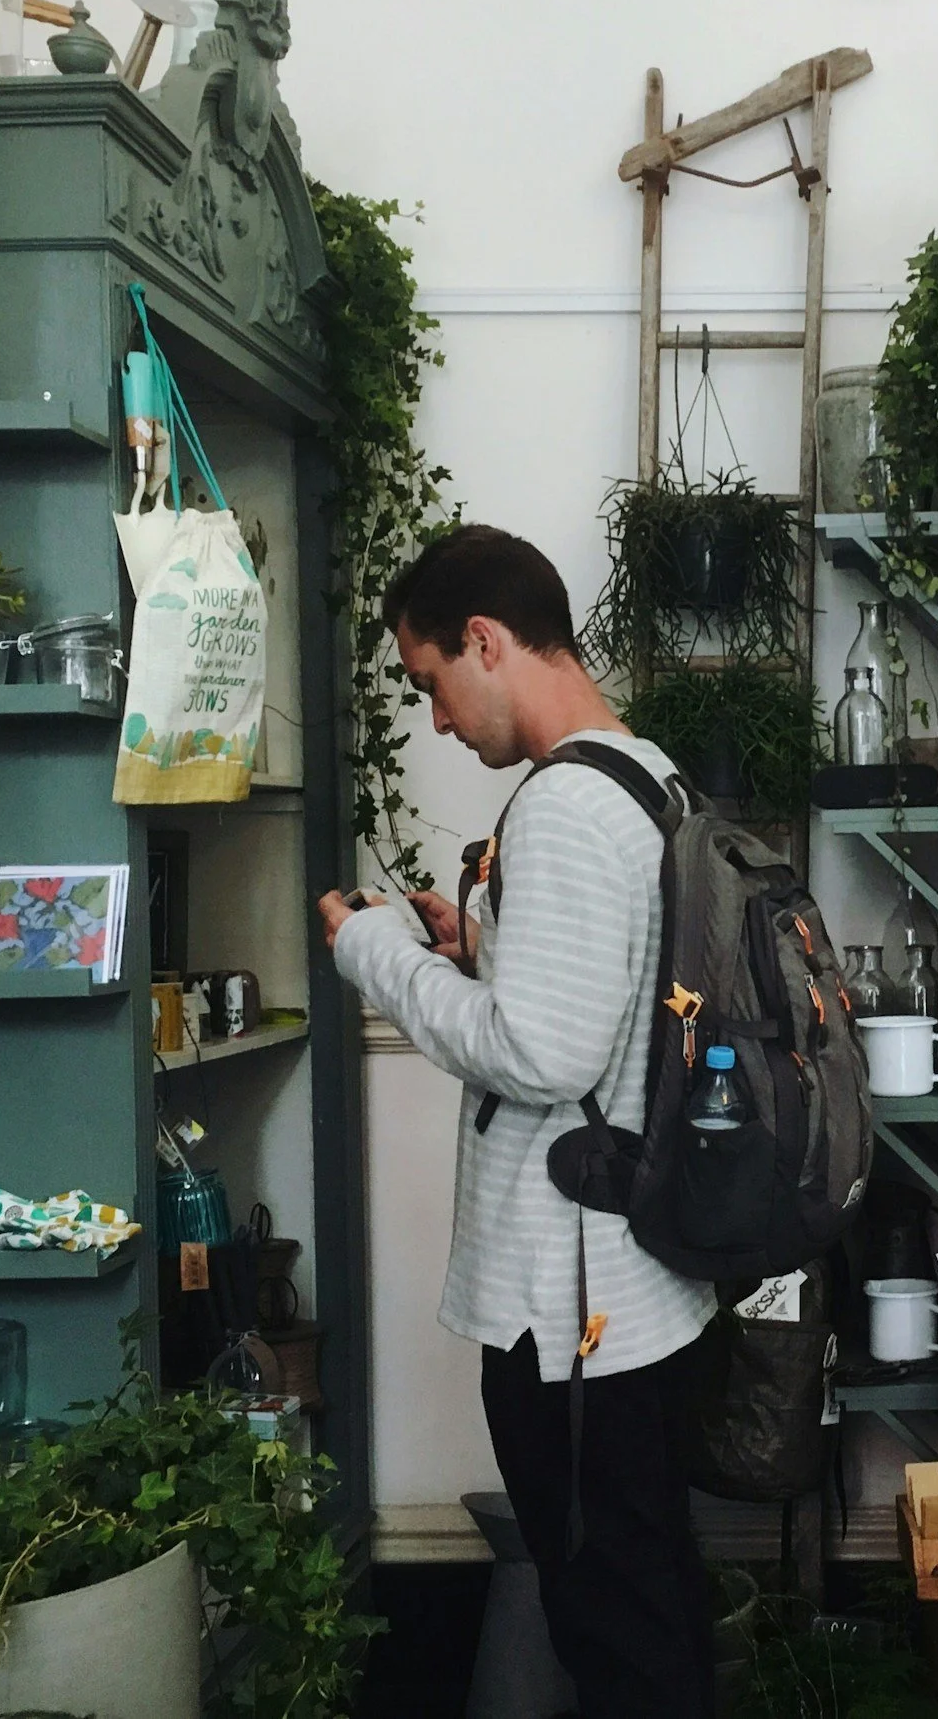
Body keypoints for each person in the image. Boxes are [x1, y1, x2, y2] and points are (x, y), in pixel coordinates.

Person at [316, 524, 714, 1716]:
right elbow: (605, 999)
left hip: (574, 1312)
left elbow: (541, 1053)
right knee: (647, 1607)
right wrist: (481, 942)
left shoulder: (563, 808)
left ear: (484, 640)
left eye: (433, 682)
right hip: (634, 1293)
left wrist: (377, 954)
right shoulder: (643, 774)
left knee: (619, 1635)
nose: (436, 721)